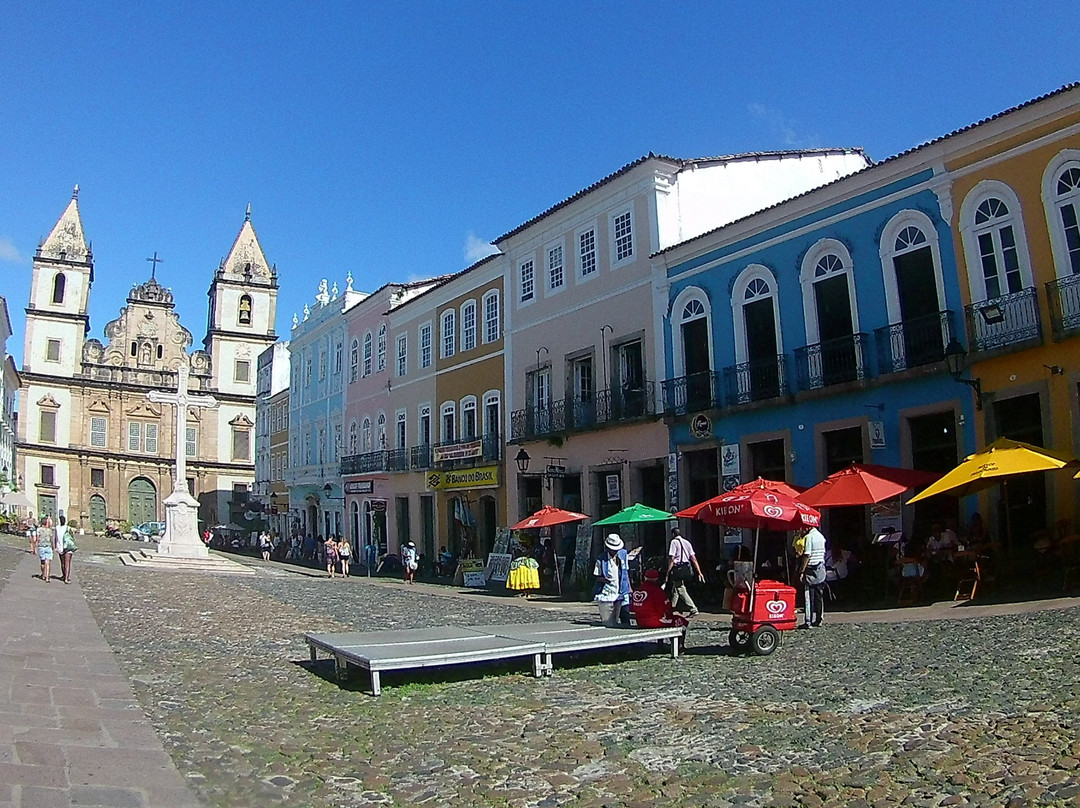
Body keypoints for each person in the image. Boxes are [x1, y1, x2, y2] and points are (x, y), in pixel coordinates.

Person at [665, 527, 704, 618]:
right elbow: (693, 558)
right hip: (686, 568)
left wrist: (668, 571)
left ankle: (693, 608)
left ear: (673, 534)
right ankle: (671, 608)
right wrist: (699, 572)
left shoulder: (673, 542)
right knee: (676, 588)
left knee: (680, 589)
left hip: (678, 568)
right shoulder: (687, 542)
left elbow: (672, 558)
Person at [593, 534, 631, 626]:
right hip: (609, 590)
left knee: (625, 612)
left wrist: (629, 587)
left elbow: (625, 572)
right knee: (611, 616)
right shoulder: (601, 559)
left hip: (623, 588)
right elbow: (597, 576)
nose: (615, 551)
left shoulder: (623, 554)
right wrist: (605, 580)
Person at [797, 525, 828, 628]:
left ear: (808, 527)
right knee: (819, 596)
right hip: (820, 568)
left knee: (808, 596)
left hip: (810, 569)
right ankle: (819, 619)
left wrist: (801, 571)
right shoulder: (821, 537)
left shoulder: (809, 537)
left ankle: (808, 621)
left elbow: (807, 555)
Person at [55, 515, 76, 584]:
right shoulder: (68, 528)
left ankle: (64, 576)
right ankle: (66, 578)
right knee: (67, 563)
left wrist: (55, 546)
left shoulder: (57, 528)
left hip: (60, 547)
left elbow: (55, 538)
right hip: (67, 546)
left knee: (63, 563)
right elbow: (72, 537)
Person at [37, 517, 54, 582]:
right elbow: (51, 539)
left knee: (42, 562)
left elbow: (37, 538)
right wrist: (53, 546)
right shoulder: (49, 530)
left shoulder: (39, 530)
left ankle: (43, 574)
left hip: (41, 547)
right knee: (48, 563)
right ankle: (47, 577)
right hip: (48, 546)